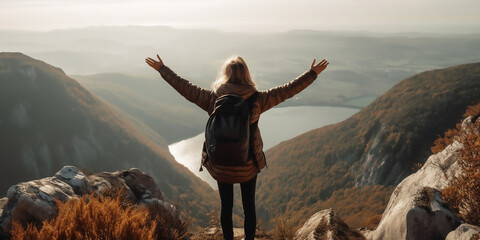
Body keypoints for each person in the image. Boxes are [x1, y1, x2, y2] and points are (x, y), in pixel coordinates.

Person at [146, 54, 328, 240]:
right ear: (246, 75)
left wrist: (163, 69)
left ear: (226, 75)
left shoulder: (214, 98)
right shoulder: (258, 99)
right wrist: (312, 73)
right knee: (249, 207)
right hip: (248, 164)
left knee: (226, 207)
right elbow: (288, 90)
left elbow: (185, 88)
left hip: (221, 164)